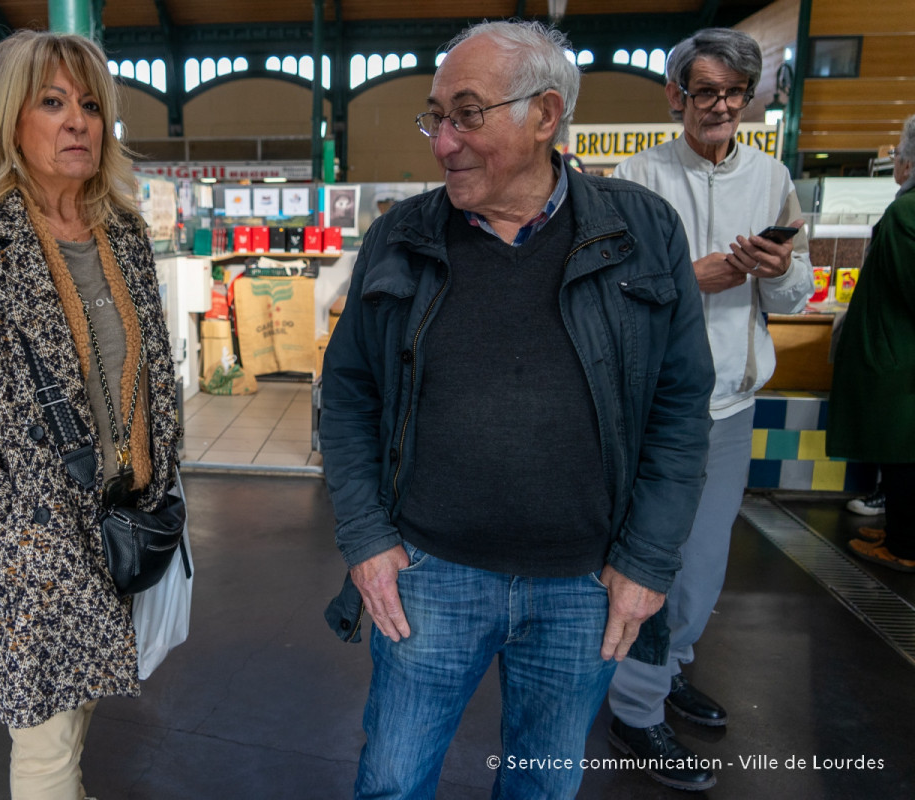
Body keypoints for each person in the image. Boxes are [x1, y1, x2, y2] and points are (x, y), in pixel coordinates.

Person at [320, 20, 715, 799]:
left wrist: (646, 562)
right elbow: (349, 394)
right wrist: (366, 540)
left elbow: (679, 409)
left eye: (467, 113)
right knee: (393, 781)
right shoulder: (400, 238)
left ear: (545, 115)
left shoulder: (641, 231)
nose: (442, 142)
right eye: (436, 114)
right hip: (427, 578)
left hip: (585, 586)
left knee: (542, 785)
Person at [0, 30, 180, 799]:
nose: (76, 121)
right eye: (53, 103)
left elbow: (150, 378)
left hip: (115, 520)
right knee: (46, 743)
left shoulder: (124, 234)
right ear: (16, 118)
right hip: (23, 544)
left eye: (90, 104)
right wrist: (3, 513)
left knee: (73, 714)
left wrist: (161, 477)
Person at [606, 28, 814, 791]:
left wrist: (781, 268)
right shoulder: (636, 178)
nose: (722, 107)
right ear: (675, 97)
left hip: (732, 403)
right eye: (706, 92)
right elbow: (612, 294)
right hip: (658, 406)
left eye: (736, 94)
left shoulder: (771, 176)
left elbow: (795, 296)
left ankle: (670, 669)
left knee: (706, 566)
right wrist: (688, 278)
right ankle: (634, 707)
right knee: (656, 560)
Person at [827, 113, 915, 571]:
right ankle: (902, 529)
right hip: (898, 352)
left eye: (900, 154)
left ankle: (903, 544)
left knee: (902, 453)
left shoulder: (906, 211)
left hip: (899, 356)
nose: (898, 162)